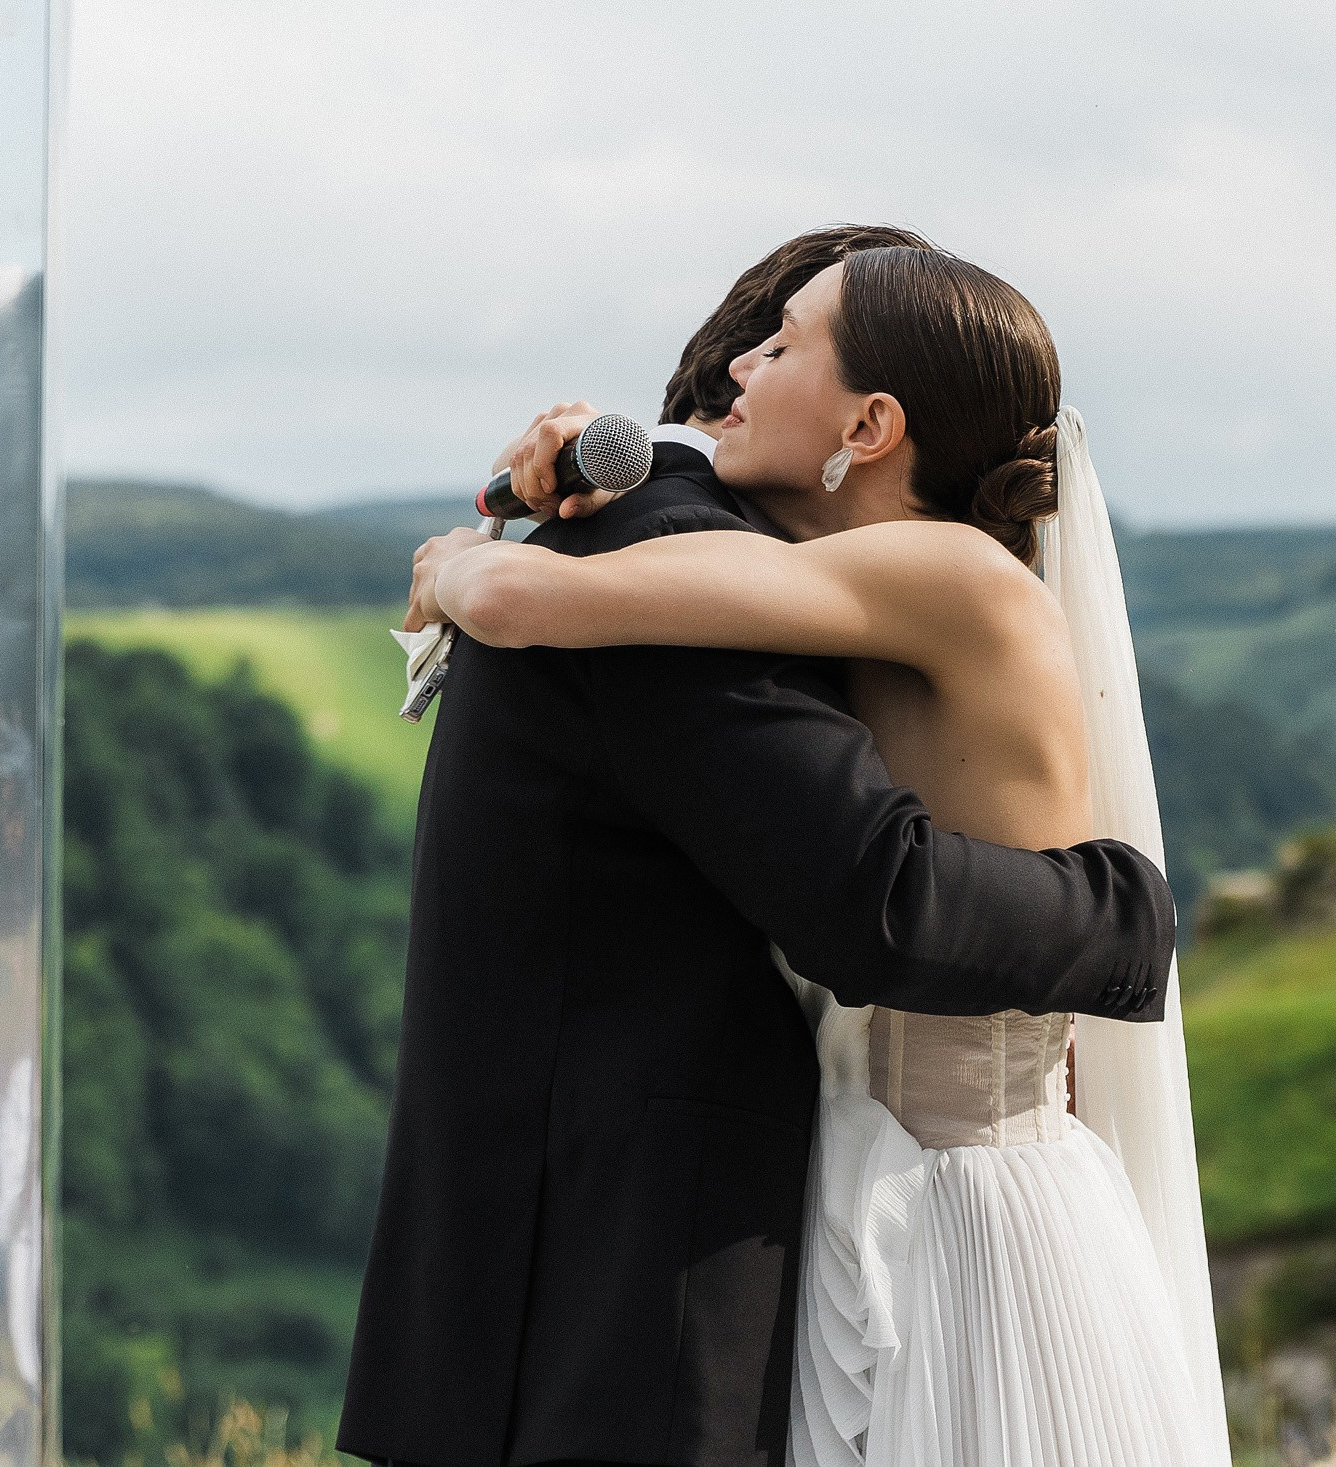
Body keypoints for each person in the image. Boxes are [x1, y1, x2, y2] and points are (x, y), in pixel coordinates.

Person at [337, 227, 1181, 1467]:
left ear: (869, 425)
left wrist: (463, 562)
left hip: (956, 1203)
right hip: (863, 1188)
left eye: (783, 347)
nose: (741, 367)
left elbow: (884, 903)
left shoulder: (939, 569)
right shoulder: (815, 565)